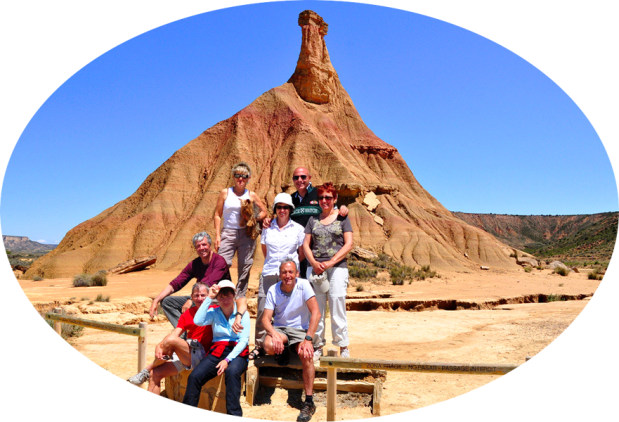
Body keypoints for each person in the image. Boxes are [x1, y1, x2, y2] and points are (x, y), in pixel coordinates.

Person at [127, 282, 215, 396]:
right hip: (188, 353)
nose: (200, 298)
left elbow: (173, 339)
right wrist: (160, 345)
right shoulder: (187, 314)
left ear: (209, 296)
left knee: (172, 341)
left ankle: (146, 370)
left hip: (203, 354)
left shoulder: (214, 311)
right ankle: (149, 372)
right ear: (191, 297)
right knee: (155, 374)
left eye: (203, 295)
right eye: (196, 295)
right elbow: (175, 333)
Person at [262, 259, 320, 422]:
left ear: (297, 273)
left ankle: (309, 401)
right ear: (279, 274)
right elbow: (266, 319)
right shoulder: (274, 289)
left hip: (300, 330)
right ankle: (284, 349)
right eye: (284, 272)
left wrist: (308, 339)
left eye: (290, 272)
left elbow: (316, 313)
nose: (287, 275)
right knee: (268, 345)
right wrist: (273, 334)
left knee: (307, 355)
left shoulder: (304, 285)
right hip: (281, 329)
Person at [249, 193, 305, 360]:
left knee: (288, 309)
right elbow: (265, 250)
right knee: (262, 310)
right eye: (279, 207)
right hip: (269, 273)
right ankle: (259, 345)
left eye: (286, 207)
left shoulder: (298, 229)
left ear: (290, 209)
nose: (282, 210)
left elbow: (300, 254)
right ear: (275, 209)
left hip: (288, 276)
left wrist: (289, 269)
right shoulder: (267, 228)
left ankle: (287, 344)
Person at [182, 280, 250, 417]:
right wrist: (209, 298)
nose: (225, 300)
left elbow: (243, 341)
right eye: (221, 297)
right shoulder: (214, 313)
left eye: (228, 296)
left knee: (232, 373)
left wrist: (227, 360)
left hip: (237, 352)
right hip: (218, 350)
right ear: (217, 298)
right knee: (195, 377)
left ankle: (234, 414)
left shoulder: (242, 314)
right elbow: (198, 321)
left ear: (234, 296)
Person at [263, 167, 348, 277]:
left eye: (303, 177)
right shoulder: (290, 199)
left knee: (317, 287)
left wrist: (343, 208)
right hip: (297, 252)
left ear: (309, 178)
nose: (300, 180)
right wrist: (268, 220)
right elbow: (281, 215)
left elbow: (333, 210)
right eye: (296, 177)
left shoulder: (319, 195)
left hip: (317, 251)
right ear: (293, 180)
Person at [303, 182, 353, 359]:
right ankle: (317, 345)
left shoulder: (342, 218)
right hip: (316, 269)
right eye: (322, 197)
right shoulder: (313, 220)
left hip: (337, 268)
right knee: (317, 308)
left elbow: (349, 244)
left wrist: (332, 261)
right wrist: (314, 262)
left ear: (335, 199)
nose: (324, 200)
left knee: (337, 304)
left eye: (328, 197)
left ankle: (343, 346)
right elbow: (305, 244)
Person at [149, 232, 231, 328]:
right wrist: (156, 300)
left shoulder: (219, 261)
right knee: (167, 302)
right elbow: (177, 283)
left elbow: (208, 284)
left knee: (198, 300)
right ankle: (182, 330)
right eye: (198, 246)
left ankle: (196, 330)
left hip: (219, 299)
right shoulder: (195, 264)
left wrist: (191, 299)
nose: (201, 248)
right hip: (202, 297)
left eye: (204, 244)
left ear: (210, 245)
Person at [214, 161, 267, 300]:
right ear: (233, 176)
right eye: (237, 175)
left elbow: (264, 212)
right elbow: (217, 215)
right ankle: (225, 293)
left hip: (246, 235)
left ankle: (240, 297)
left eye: (244, 176)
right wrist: (218, 236)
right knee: (221, 264)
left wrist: (252, 218)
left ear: (249, 178)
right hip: (228, 232)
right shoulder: (225, 193)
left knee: (245, 266)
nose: (240, 179)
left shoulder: (252, 195)